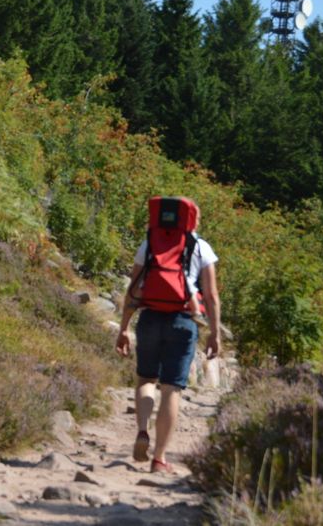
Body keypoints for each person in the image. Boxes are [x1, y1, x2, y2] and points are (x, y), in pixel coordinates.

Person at [115, 199, 221, 473]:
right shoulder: (201, 247)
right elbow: (210, 296)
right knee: (171, 388)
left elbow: (132, 289)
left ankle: (141, 431)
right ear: (192, 220)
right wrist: (214, 334)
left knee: (146, 379)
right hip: (183, 321)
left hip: (149, 317)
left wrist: (124, 328)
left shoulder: (150, 242)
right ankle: (159, 458)